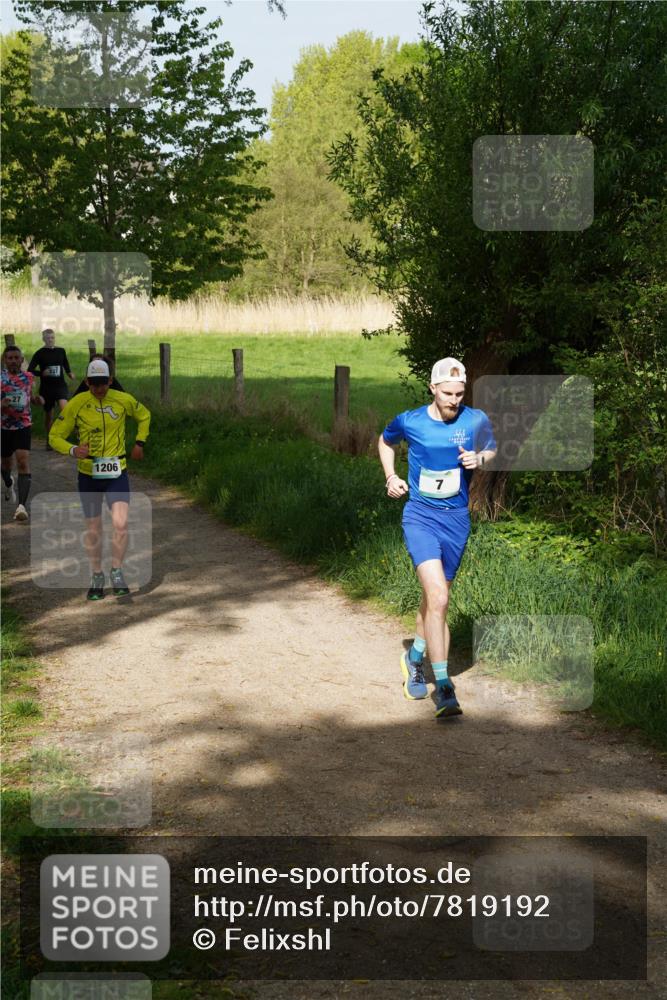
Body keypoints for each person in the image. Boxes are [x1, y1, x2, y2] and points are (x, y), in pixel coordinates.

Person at [379, 357, 497, 718]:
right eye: (447, 393)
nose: (454, 400)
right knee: (438, 595)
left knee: (436, 602)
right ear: (432, 388)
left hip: (457, 521)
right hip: (421, 517)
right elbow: (385, 442)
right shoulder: (410, 421)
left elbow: (491, 449)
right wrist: (391, 477)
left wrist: (480, 459)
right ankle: (444, 687)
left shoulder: (474, 419)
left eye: (460, 393)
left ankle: (414, 657)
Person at [49, 358, 150, 600]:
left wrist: (139, 442)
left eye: (102, 383)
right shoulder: (77, 404)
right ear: (86, 382)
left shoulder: (122, 399)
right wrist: (74, 450)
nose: (98, 389)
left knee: (120, 524)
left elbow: (144, 415)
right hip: (88, 474)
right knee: (94, 528)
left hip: (117, 471)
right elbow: (54, 436)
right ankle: (96, 575)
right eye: (93, 384)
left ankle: (117, 571)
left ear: (110, 381)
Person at [1, 345, 44, 521]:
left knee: (23, 462)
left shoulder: (29, 378)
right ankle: (9, 483)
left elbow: (31, 397)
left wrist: (36, 400)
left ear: (21, 359)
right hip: (3, 427)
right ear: (4, 360)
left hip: (23, 425)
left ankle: (21, 507)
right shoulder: (1, 378)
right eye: (9, 358)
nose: (13, 361)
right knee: (5, 465)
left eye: (16, 358)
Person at [27, 329, 75, 447]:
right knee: (49, 415)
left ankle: (62, 436)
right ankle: (49, 440)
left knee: (66, 409)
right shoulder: (39, 353)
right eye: (48, 338)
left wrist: (69, 373)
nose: (50, 340)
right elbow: (30, 370)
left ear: (55, 338)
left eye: (52, 337)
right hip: (47, 388)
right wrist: (42, 373)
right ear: (43, 339)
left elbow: (65, 363)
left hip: (60, 386)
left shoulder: (61, 351)